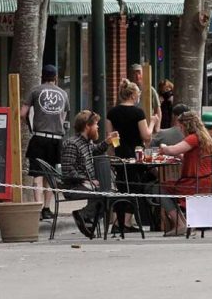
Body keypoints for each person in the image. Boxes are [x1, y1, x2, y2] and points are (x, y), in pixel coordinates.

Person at [60, 110, 119, 239]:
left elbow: (95, 150)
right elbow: (68, 170)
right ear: (87, 126)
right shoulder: (72, 144)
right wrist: (87, 180)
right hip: (74, 186)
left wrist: (107, 142)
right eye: (96, 124)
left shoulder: (87, 142)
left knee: (110, 192)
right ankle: (84, 215)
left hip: (88, 184)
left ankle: (88, 220)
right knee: (103, 194)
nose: (98, 127)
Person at [21, 65, 69, 221]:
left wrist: (31, 123)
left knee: (37, 175)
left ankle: (36, 207)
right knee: (50, 175)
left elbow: (23, 113)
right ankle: (47, 209)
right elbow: (64, 117)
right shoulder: (63, 94)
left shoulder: (35, 91)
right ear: (55, 77)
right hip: (56, 139)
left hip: (39, 137)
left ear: (42, 77)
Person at [159, 111, 212, 236]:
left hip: (194, 183)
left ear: (186, 125)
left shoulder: (193, 137)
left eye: (180, 127)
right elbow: (196, 158)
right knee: (165, 186)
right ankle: (183, 222)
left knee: (158, 188)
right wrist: (182, 157)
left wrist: (163, 147)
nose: (180, 130)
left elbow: (172, 150)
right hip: (206, 181)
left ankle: (180, 223)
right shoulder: (205, 137)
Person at [106, 79, 151, 158]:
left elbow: (110, 136)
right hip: (137, 155)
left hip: (120, 155)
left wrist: (117, 147)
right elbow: (146, 136)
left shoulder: (112, 113)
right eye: (138, 94)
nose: (139, 96)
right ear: (133, 95)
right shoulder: (138, 113)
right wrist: (153, 122)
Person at [130, 63, 161, 130]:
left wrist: (157, 128)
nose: (137, 76)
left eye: (139, 73)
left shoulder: (151, 90)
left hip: (147, 126)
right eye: (134, 73)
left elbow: (158, 110)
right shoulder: (127, 91)